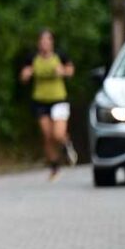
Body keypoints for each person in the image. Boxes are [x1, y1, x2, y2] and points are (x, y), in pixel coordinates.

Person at [20, 28, 77, 178]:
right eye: (42, 40)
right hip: (40, 101)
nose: (44, 43)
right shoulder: (32, 58)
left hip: (58, 99)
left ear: (52, 42)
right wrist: (26, 75)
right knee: (47, 135)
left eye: (48, 40)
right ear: (38, 43)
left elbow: (71, 71)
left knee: (57, 134)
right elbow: (24, 75)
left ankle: (66, 144)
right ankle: (54, 164)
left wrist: (63, 71)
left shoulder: (60, 55)